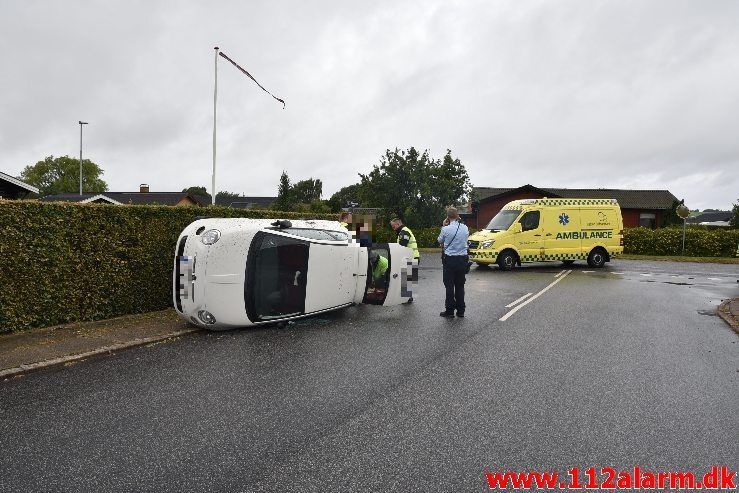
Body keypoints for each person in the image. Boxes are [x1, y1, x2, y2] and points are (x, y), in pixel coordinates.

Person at [438, 207, 469, 318]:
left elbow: (439, 241)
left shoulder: (445, 229)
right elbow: (465, 240)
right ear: (457, 216)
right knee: (460, 285)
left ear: (447, 217)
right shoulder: (465, 228)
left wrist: (444, 225)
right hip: (462, 259)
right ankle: (461, 311)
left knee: (449, 286)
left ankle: (450, 311)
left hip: (450, 260)